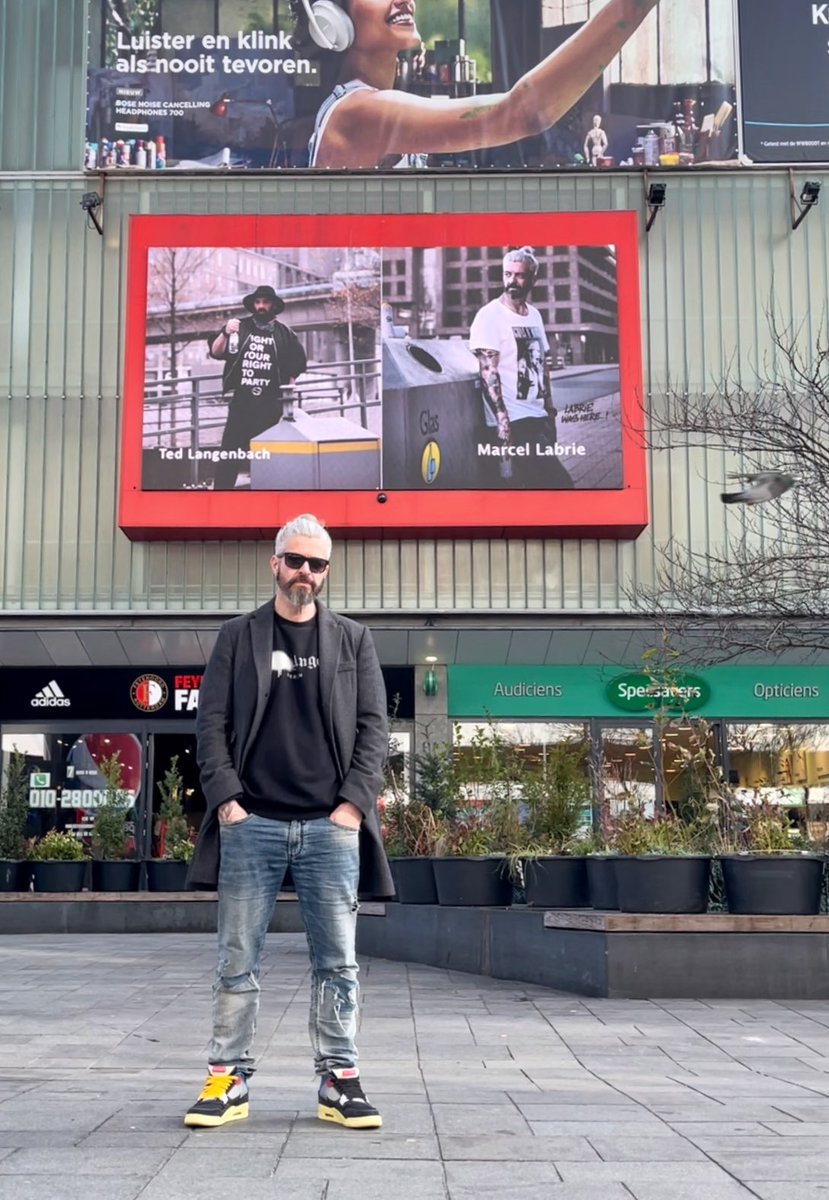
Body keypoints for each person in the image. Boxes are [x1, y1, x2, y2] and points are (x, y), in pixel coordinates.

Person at [184, 513, 393, 1131]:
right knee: (236, 958)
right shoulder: (237, 636)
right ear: (275, 563)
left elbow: (374, 729)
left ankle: (339, 1080)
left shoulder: (353, 640)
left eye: (318, 564)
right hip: (253, 824)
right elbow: (211, 726)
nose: (306, 573)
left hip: (331, 828)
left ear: (327, 572)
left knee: (338, 961)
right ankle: (227, 1079)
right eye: (296, 561)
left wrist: (352, 806)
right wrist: (228, 803)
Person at [290, 0, 662, 170]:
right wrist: (630, 7)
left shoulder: (359, 105)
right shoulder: (359, 112)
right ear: (332, 19)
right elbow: (520, 114)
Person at [469, 247, 572, 489]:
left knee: (533, 488)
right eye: (507, 274)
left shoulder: (534, 315)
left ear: (533, 279)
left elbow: (541, 366)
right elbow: (488, 372)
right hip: (515, 421)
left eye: (519, 275)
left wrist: (549, 410)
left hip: (539, 418)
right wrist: (502, 421)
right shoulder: (490, 315)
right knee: (560, 487)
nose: (512, 281)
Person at [207, 285, 307, 489]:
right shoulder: (239, 327)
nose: (261, 306)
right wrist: (225, 333)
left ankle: (263, 497)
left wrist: (287, 404)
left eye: (265, 302)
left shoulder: (286, 334)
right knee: (229, 453)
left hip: (270, 405)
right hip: (241, 403)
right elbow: (216, 353)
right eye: (258, 302)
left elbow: (294, 369)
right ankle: (219, 497)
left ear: (274, 305)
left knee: (264, 456)